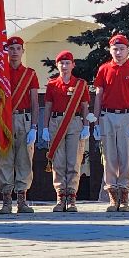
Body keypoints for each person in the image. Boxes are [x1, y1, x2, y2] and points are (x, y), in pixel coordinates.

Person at [91, 33, 129, 213]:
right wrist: (96, 121)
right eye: (115, 49)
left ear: (128, 51)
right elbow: (99, 96)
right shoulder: (104, 69)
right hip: (107, 116)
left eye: (122, 49)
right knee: (109, 157)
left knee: (126, 157)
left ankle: (124, 196)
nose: (118, 52)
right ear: (110, 50)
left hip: (127, 116)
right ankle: (112, 195)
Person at [39, 50, 90, 212]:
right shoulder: (53, 84)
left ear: (73, 65)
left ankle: (72, 198)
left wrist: (87, 125)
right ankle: (61, 197)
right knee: (58, 161)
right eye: (61, 63)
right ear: (57, 65)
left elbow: (84, 107)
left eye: (68, 63)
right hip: (56, 122)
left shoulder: (80, 84)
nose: (65, 66)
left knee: (73, 160)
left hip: (75, 122)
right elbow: (47, 106)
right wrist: (45, 126)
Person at [0, 35, 41, 214]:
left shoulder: (30, 74)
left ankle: (21, 201)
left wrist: (34, 127)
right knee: (5, 160)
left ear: (23, 51)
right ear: (6, 51)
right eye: (11, 49)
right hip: (5, 119)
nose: (14, 52)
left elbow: (35, 102)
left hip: (23, 119)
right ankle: (7, 201)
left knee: (24, 160)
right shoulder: (0, 72)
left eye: (18, 49)